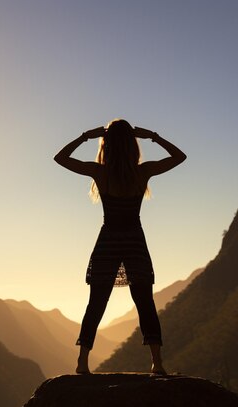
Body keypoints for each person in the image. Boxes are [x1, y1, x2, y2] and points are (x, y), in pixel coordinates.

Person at [54, 119, 186, 375]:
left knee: (97, 302)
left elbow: (61, 158)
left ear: (107, 144)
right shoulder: (142, 172)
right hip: (135, 241)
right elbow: (179, 156)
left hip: (108, 241)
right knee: (145, 301)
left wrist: (85, 136)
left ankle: (82, 363)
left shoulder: (100, 173)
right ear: (131, 145)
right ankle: (157, 363)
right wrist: (153, 136)